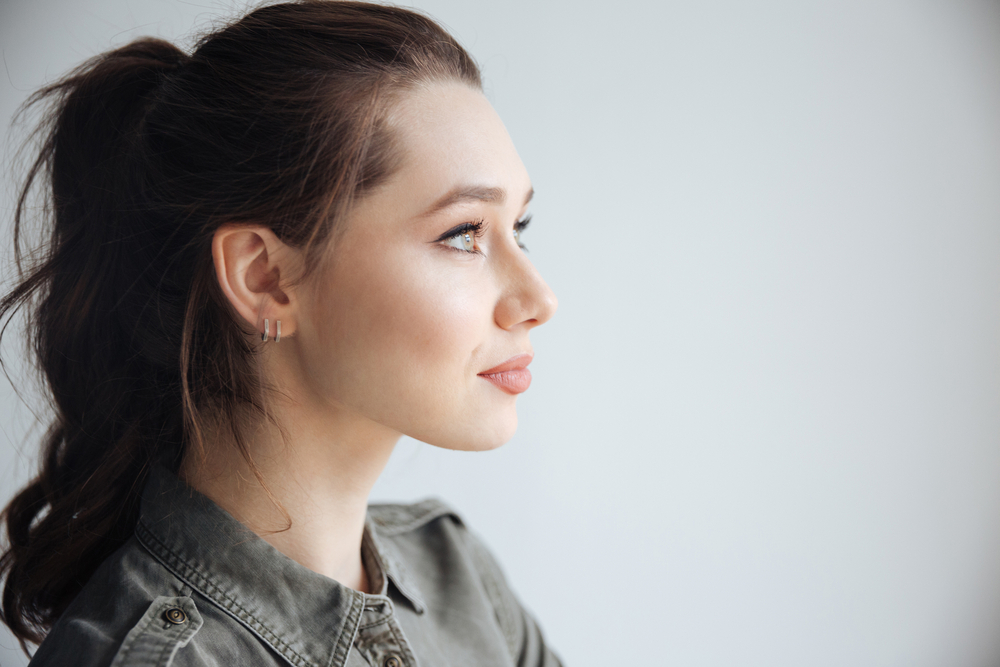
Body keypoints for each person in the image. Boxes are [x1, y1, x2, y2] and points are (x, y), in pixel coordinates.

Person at [0, 1, 561, 665]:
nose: (539, 299)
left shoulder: (458, 575)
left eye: (517, 229)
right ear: (264, 276)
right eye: (463, 233)